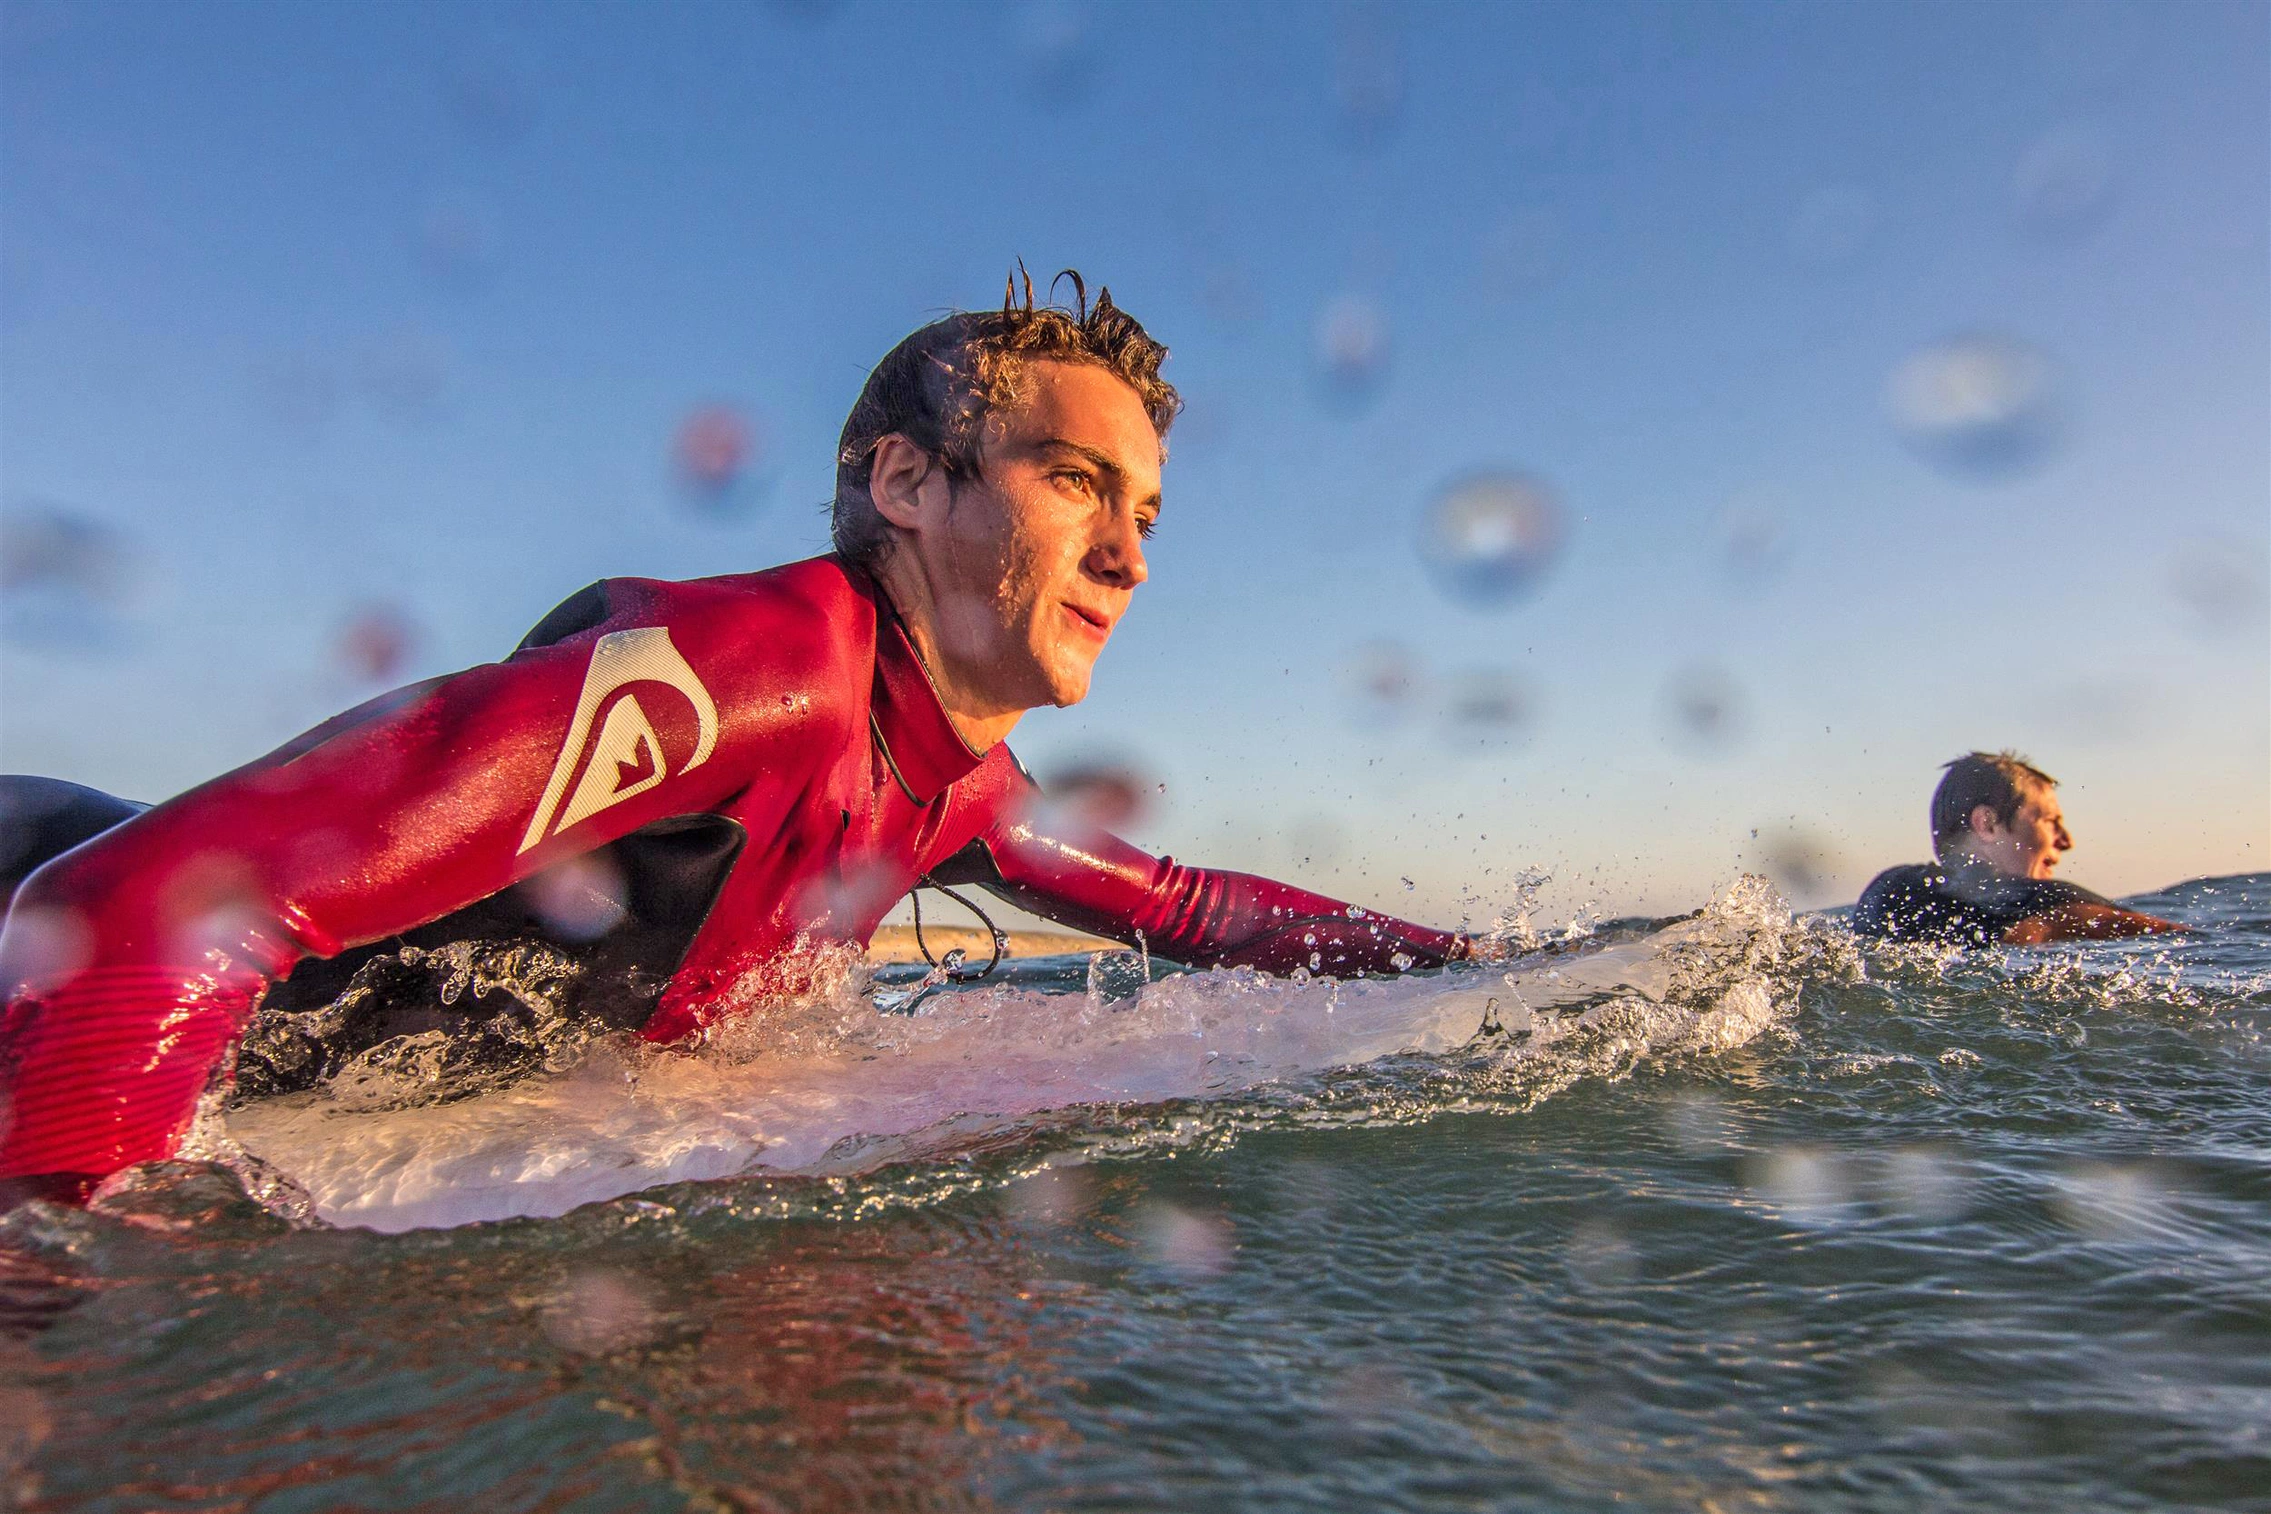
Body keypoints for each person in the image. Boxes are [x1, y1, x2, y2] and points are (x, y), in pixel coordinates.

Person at [0, 274, 1480, 1203]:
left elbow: (1190, 909)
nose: (1128, 558)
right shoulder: (747, 672)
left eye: (1144, 513)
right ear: (908, 480)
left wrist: (1492, 973)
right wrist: (90, 1313)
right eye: (1076, 482)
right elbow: (125, 914)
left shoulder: (961, 784)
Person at [1851, 751, 2185, 946]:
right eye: (2049, 821)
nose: (2066, 840)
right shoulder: (2044, 906)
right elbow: (2179, 940)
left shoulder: (1887, 890)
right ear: (1988, 823)